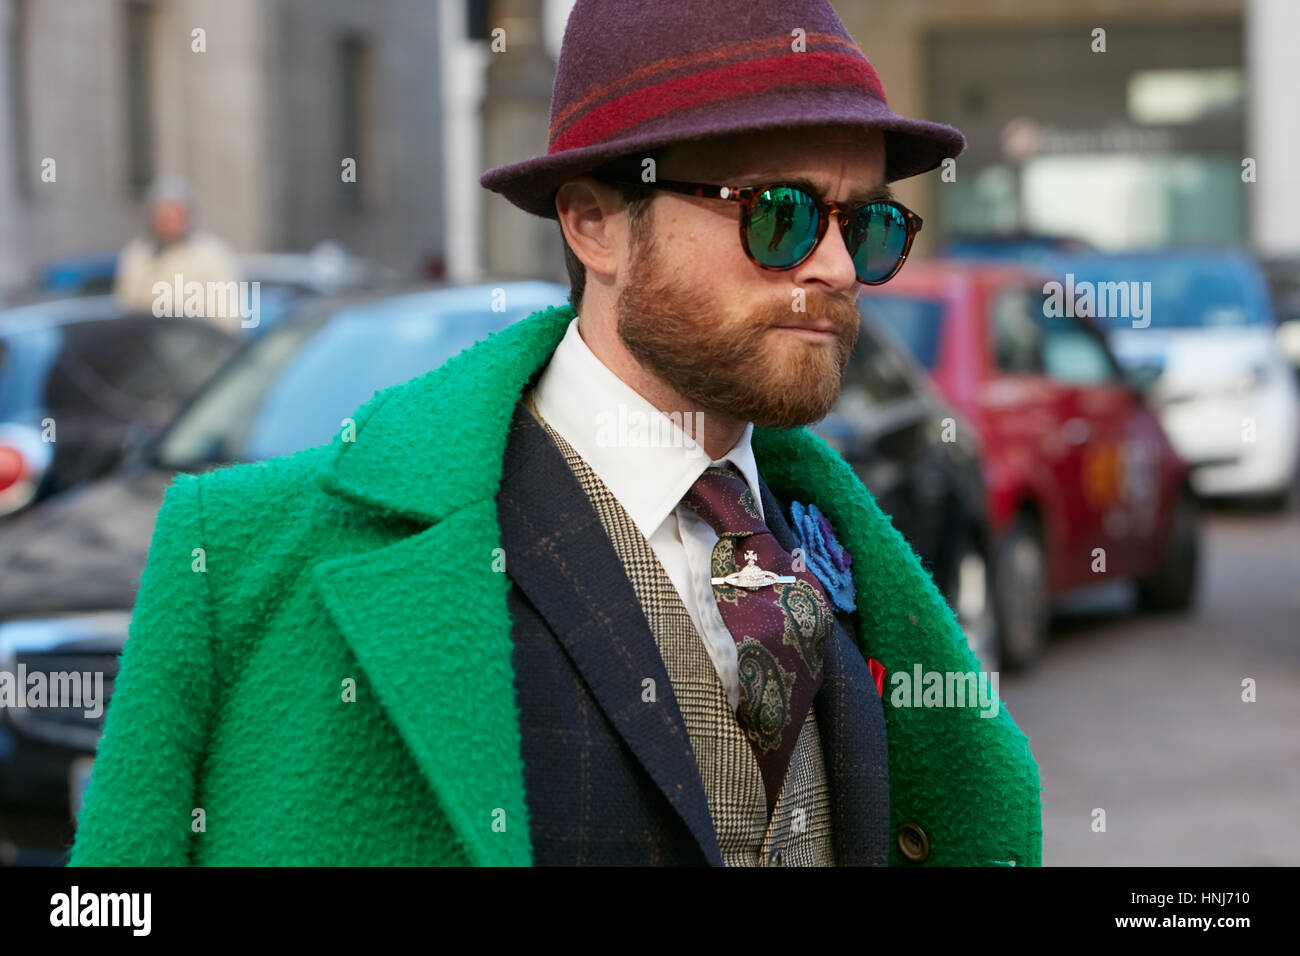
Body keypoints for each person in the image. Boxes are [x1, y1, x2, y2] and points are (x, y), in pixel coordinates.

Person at [71, 0, 1042, 867]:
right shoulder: (237, 557)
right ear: (593, 223)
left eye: (865, 224)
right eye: (778, 213)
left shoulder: (842, 546)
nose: (834, 266)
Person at [113, 175, 243, 336]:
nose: (171, 224)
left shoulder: (212, 256)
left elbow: (227, 319)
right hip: (148, 347)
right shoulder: (138, 254)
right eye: (164, 217)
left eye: (177, 216)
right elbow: (127, 304)